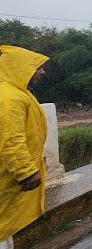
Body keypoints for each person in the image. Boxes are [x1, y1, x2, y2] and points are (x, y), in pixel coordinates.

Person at [0, 46, 49, 248]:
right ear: (19, 67)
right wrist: (26, 172)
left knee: (6, 227)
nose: (42, 72)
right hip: (10, 175)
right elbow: (11, 139)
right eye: (37, 67)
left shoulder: (18, 93)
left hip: (10, 176)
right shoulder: (8, 98)